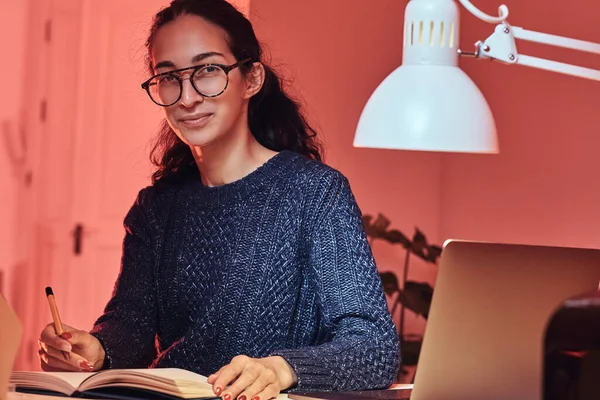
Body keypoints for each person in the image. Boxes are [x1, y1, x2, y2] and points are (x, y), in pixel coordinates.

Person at [38, 0, 401, 398]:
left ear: (251, 79)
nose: (187, 97)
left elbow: (374, 347)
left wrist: (282, 370)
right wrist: (98, 349)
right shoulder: (155, 209)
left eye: (207, 70)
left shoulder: (314, 193)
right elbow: (131, 326)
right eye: (169, 77)